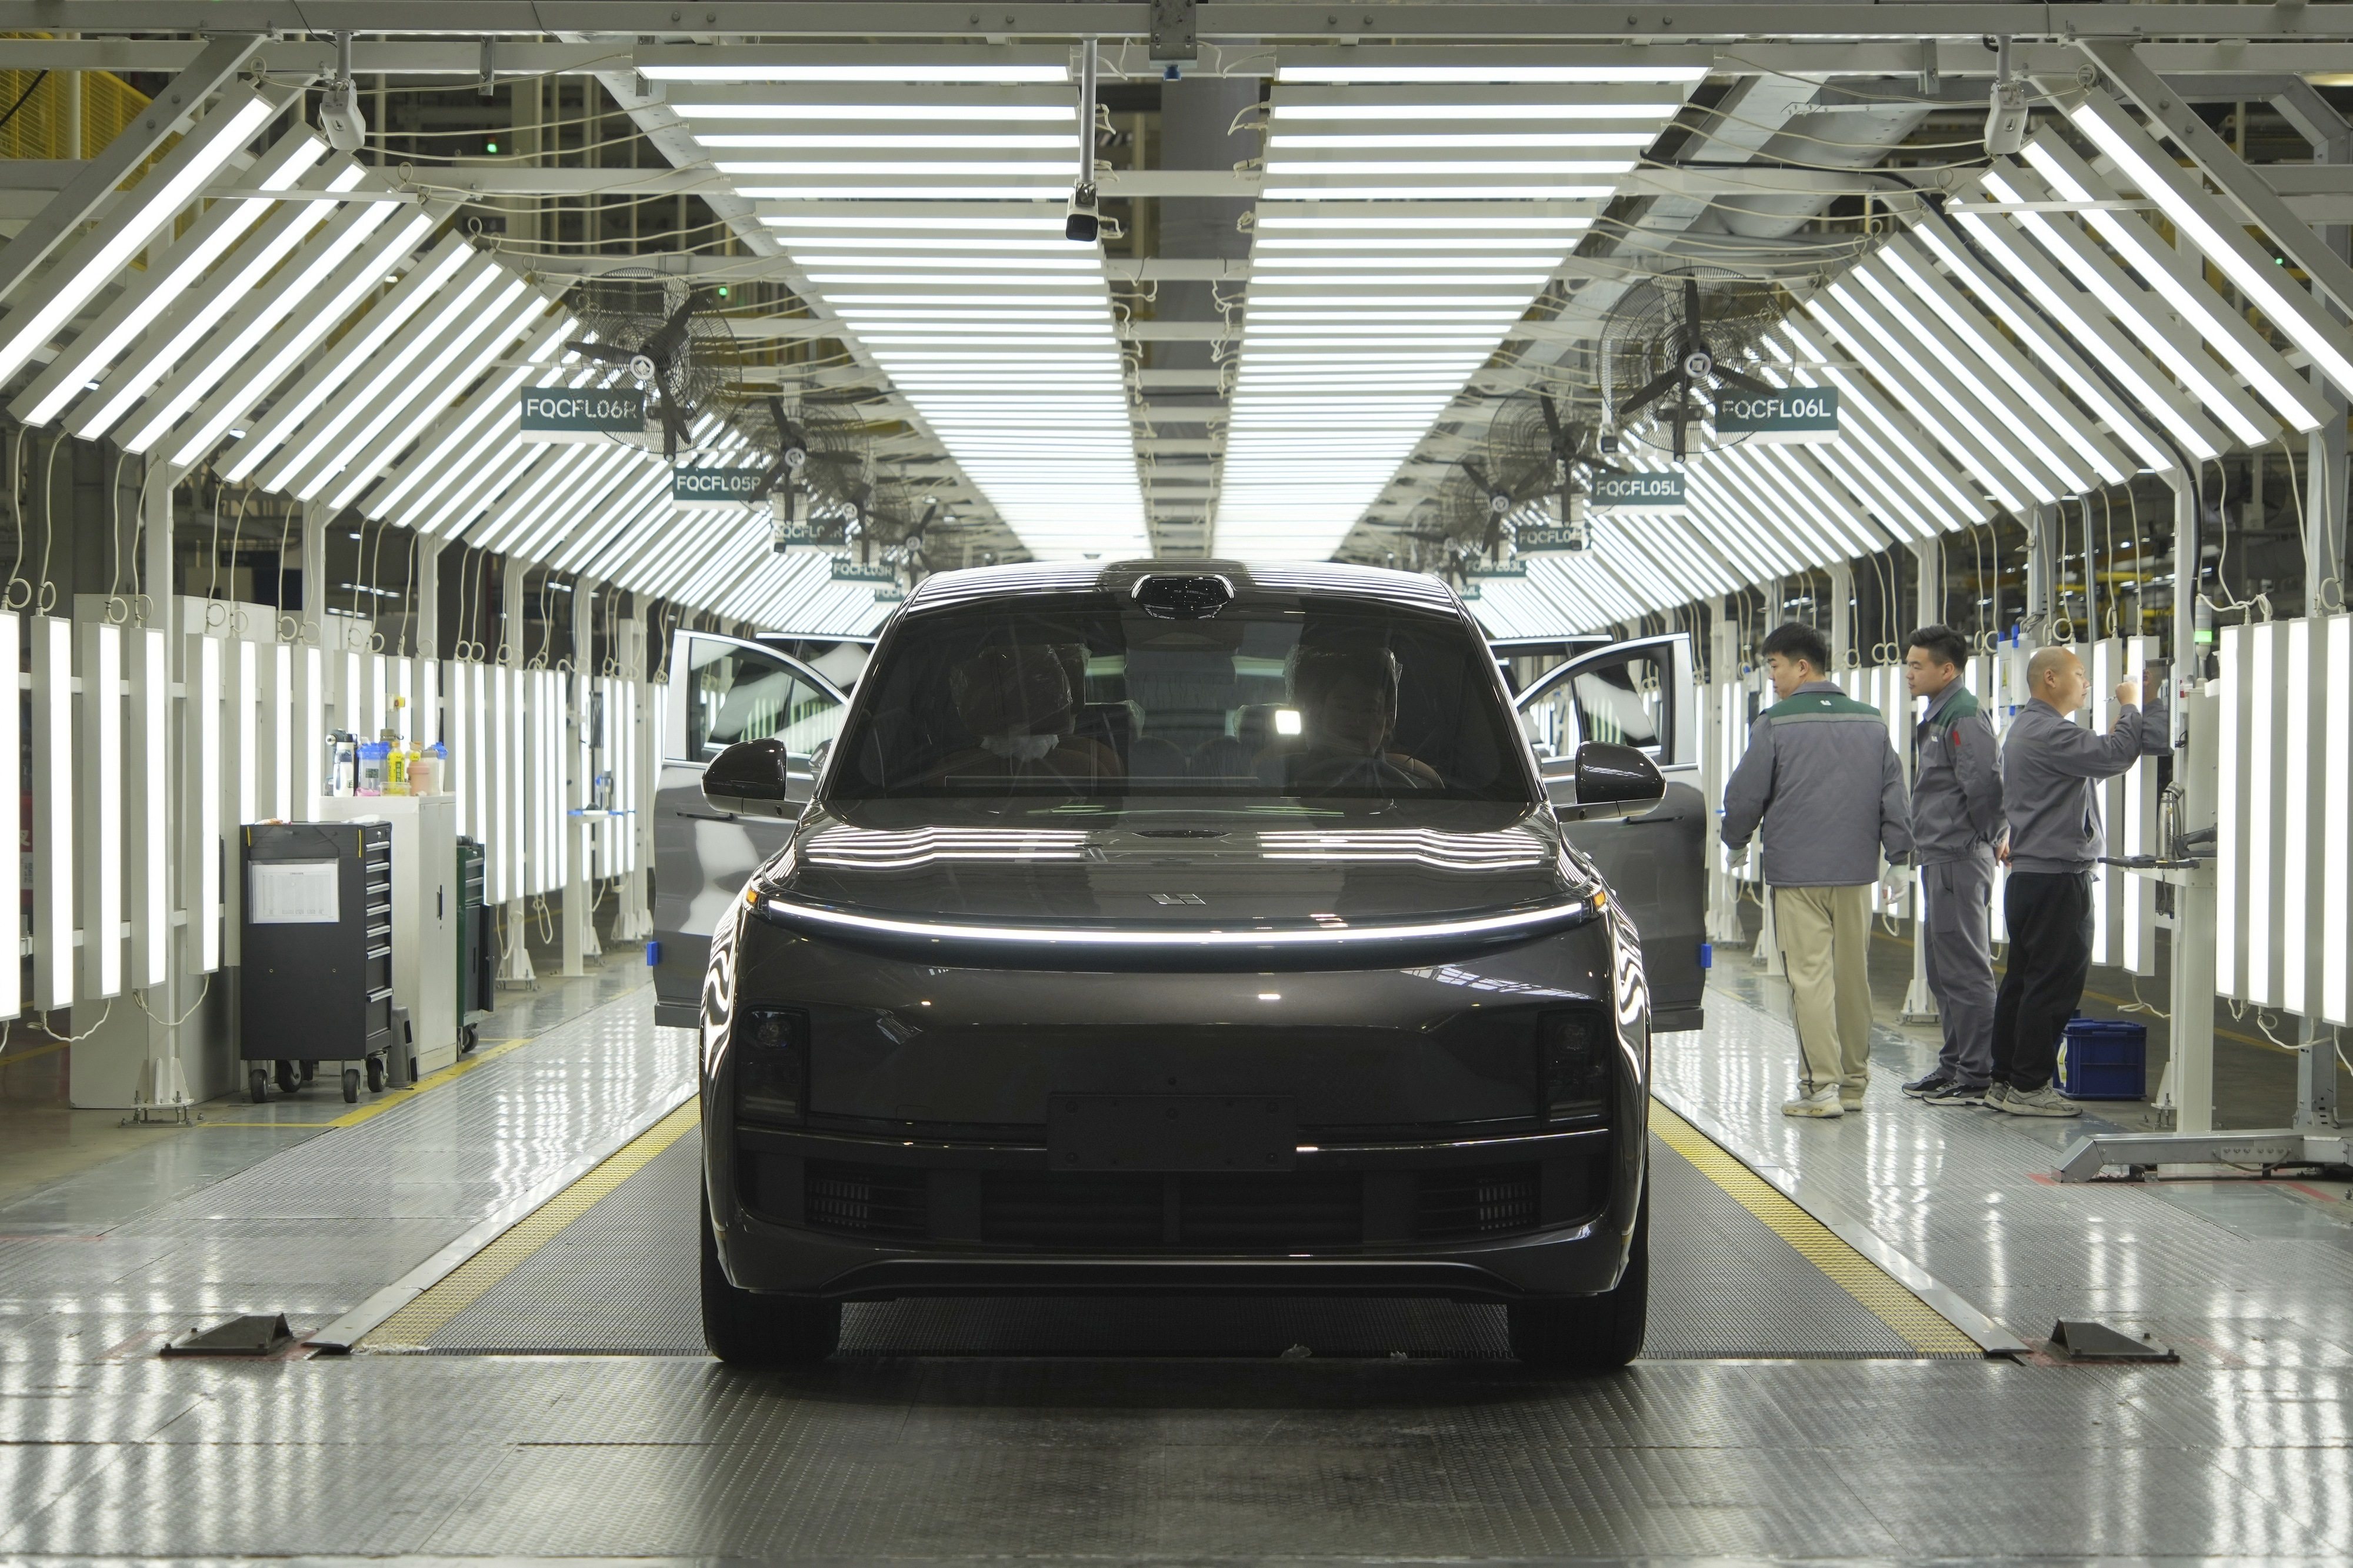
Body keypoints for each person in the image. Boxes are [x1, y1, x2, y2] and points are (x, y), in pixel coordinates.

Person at [1722, 623, 1913, 1119]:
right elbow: (1893, 793)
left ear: (1802, 666)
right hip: (1855, 874)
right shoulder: (1871, 722)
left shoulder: (1775, 723)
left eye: (1776, 667)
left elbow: (1746, 794)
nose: (1774, 679)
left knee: (1809, 979)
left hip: (1797, 875)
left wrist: (1735, 841)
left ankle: (1820, 1089)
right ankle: (1853, 1084)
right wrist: (1900, 859)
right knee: (1853, 977)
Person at [1988, 645, 2157, 1117]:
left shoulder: (2026, 729)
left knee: (2022, 983)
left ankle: (2004, 1081)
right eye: (2079, 674)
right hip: (2058, 880)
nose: (2086, 683)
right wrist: (2131, 705)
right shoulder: (2050, 732)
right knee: (2053, 986)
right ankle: (2030, 1087)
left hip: (2030, 880)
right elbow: (2118, 754)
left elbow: (2077, 777)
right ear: (2049, 680)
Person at [1898, 626, 2004, 1107]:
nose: (1909, 673)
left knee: (1966, 968)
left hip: (1960, 857)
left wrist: (1980, 837)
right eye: (1908, 664)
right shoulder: (1941, 715)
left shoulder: (1962, 716)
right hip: (1941, 855)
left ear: (1948, 669)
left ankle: (1977, 1072)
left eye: (1917, 665)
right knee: (1943, 970)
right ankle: (1954, 1063)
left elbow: (1985, 788)